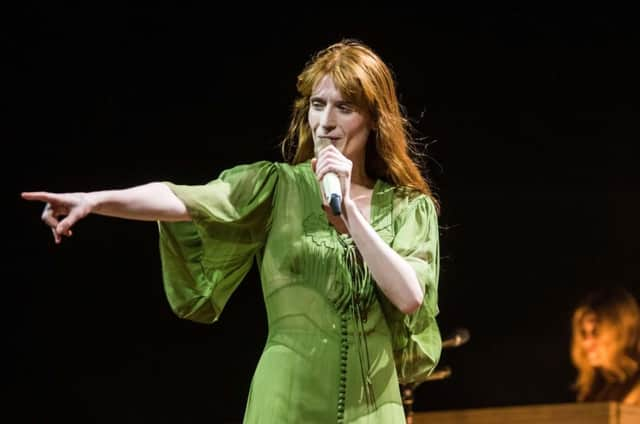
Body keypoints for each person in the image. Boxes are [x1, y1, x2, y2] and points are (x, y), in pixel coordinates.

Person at [22, 39, 442, 423]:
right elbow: (184, 199)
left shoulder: (408, 208)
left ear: (374, 120)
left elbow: (409, 297)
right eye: (318, 104)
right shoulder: (275, 187)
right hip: (286, 398)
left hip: (374, 408)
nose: (326, 122)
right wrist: (95, 200)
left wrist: (349, 212)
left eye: (344, 107)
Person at [570, 286, 640, 406]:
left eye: (595, 332)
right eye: (583, 333)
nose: (587, 342)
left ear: (620, 332)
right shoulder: (592, 389)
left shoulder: (636, 389)